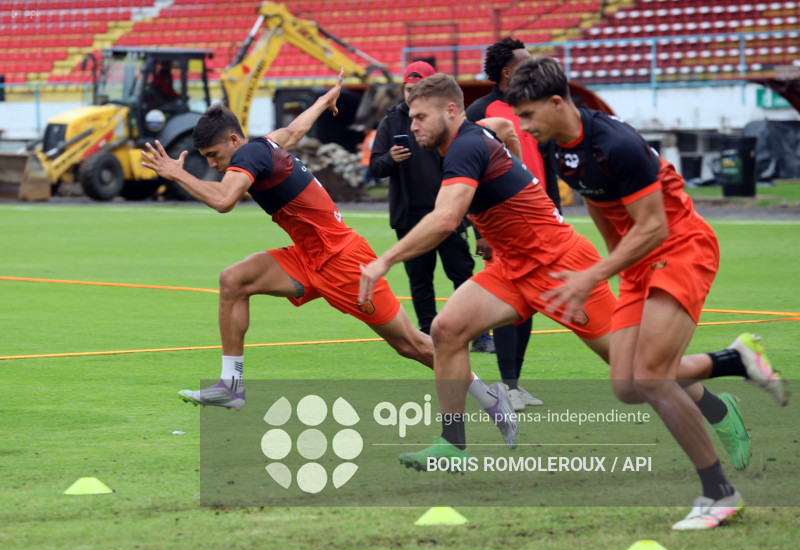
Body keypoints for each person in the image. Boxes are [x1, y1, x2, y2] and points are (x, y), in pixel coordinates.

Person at [359, 73, 780, 498]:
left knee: (635, 375)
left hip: (562, 267)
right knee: (446, 330)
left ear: (451, 111)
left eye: (419, 116)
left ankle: (719, 399)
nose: (411, 126)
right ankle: (453, 444)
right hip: (513, 267)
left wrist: (384, 260)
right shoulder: (477, 133)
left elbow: (446, 219)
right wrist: (513, 178)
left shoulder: (467, 144)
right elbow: (504, 131)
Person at [140, 70, 516, 446]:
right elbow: (295, 131)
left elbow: (224, 200)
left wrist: (176, 172)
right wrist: (324, 101)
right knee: (233, 280)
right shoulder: (264, 146)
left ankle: (491, 399)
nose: (214, 165)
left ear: (234, 140)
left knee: (411, 346)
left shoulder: (249, 155)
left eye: (214, 156)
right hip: (307, 257)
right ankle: (231, 385)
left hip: (343, 262)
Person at [504, 57, 787, 530]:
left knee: (653, 377)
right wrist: (619, 271)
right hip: (638, 258)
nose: (525, 127)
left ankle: (719, 493)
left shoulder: (616, 143)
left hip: (680, 247)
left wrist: (593, 275)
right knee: (628, 386)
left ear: (557, 103)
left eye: (529, 115)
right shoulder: (561, 151)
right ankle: (735, 361)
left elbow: (655, 226)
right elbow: (600, 207)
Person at [370, 60, 493, 352]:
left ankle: (479, 335)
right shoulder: (392, 121)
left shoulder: (446, 122)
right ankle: (429, 336)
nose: (410, 95)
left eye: (417, 89)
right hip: (410, 216)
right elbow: (375, 166)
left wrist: (477, 228)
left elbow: (471, 178)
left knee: (462, 274)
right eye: (407, 89)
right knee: (420, 281)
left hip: (448, 212)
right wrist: (391, 159)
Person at [466, 37, 561, 409]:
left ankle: (514, 385)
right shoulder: (481, 111)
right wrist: (481, 230)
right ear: (507, 71)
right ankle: (505, 388)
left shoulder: (534, 107)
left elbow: (548, 165)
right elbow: (469, 175)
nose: (533, 65)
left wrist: (556, 213)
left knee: (530, 301)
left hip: (539, 220)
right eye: (526, 62)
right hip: (501, 222)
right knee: (509, 300)